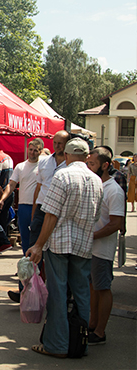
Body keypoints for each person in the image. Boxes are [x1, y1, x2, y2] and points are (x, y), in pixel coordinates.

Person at [27, 138, 103, 358]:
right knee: (81, 293)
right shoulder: (96, 180)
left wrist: (39, 245)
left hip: (59, 243)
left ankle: (57, 345)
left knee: (58, 293)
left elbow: (51, 214)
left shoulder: (63, 175)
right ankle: (81, 343)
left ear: (68, 156)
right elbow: (96, 216)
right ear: (87, 156)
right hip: (83, 244)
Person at [86, 147, 124, 345]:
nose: (89, 167)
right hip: (90, 248)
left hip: (102, 250)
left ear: (105, 165)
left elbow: (116, 224)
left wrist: (92, 236)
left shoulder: (114, 191)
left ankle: (101, 331)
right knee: (92, 287)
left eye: (92, 164)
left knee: (102, 288)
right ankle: (93, 324)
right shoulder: (95, 185)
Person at [0, 138, 43, 302]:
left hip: (39, 208)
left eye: (35, 150)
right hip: (23, 208)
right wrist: (3, 199)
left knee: (38, 248)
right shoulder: (20, 166)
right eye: (30, 149)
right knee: (26, 248)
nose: (32, 152)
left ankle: (38, 287)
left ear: (40, 151)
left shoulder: (44, 166)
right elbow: (11, 184)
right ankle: (24, 289)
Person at [30, 130, 70, 254]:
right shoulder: (44, 161)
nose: (57, 146)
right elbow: (39, 188)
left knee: (54, 248)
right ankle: (34, 272)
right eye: (55, 143)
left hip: (60, 209)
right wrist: (34, 212)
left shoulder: (70, 164)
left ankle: (47, 272)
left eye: (60, 143)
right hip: (42, 207)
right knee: (34, 242)